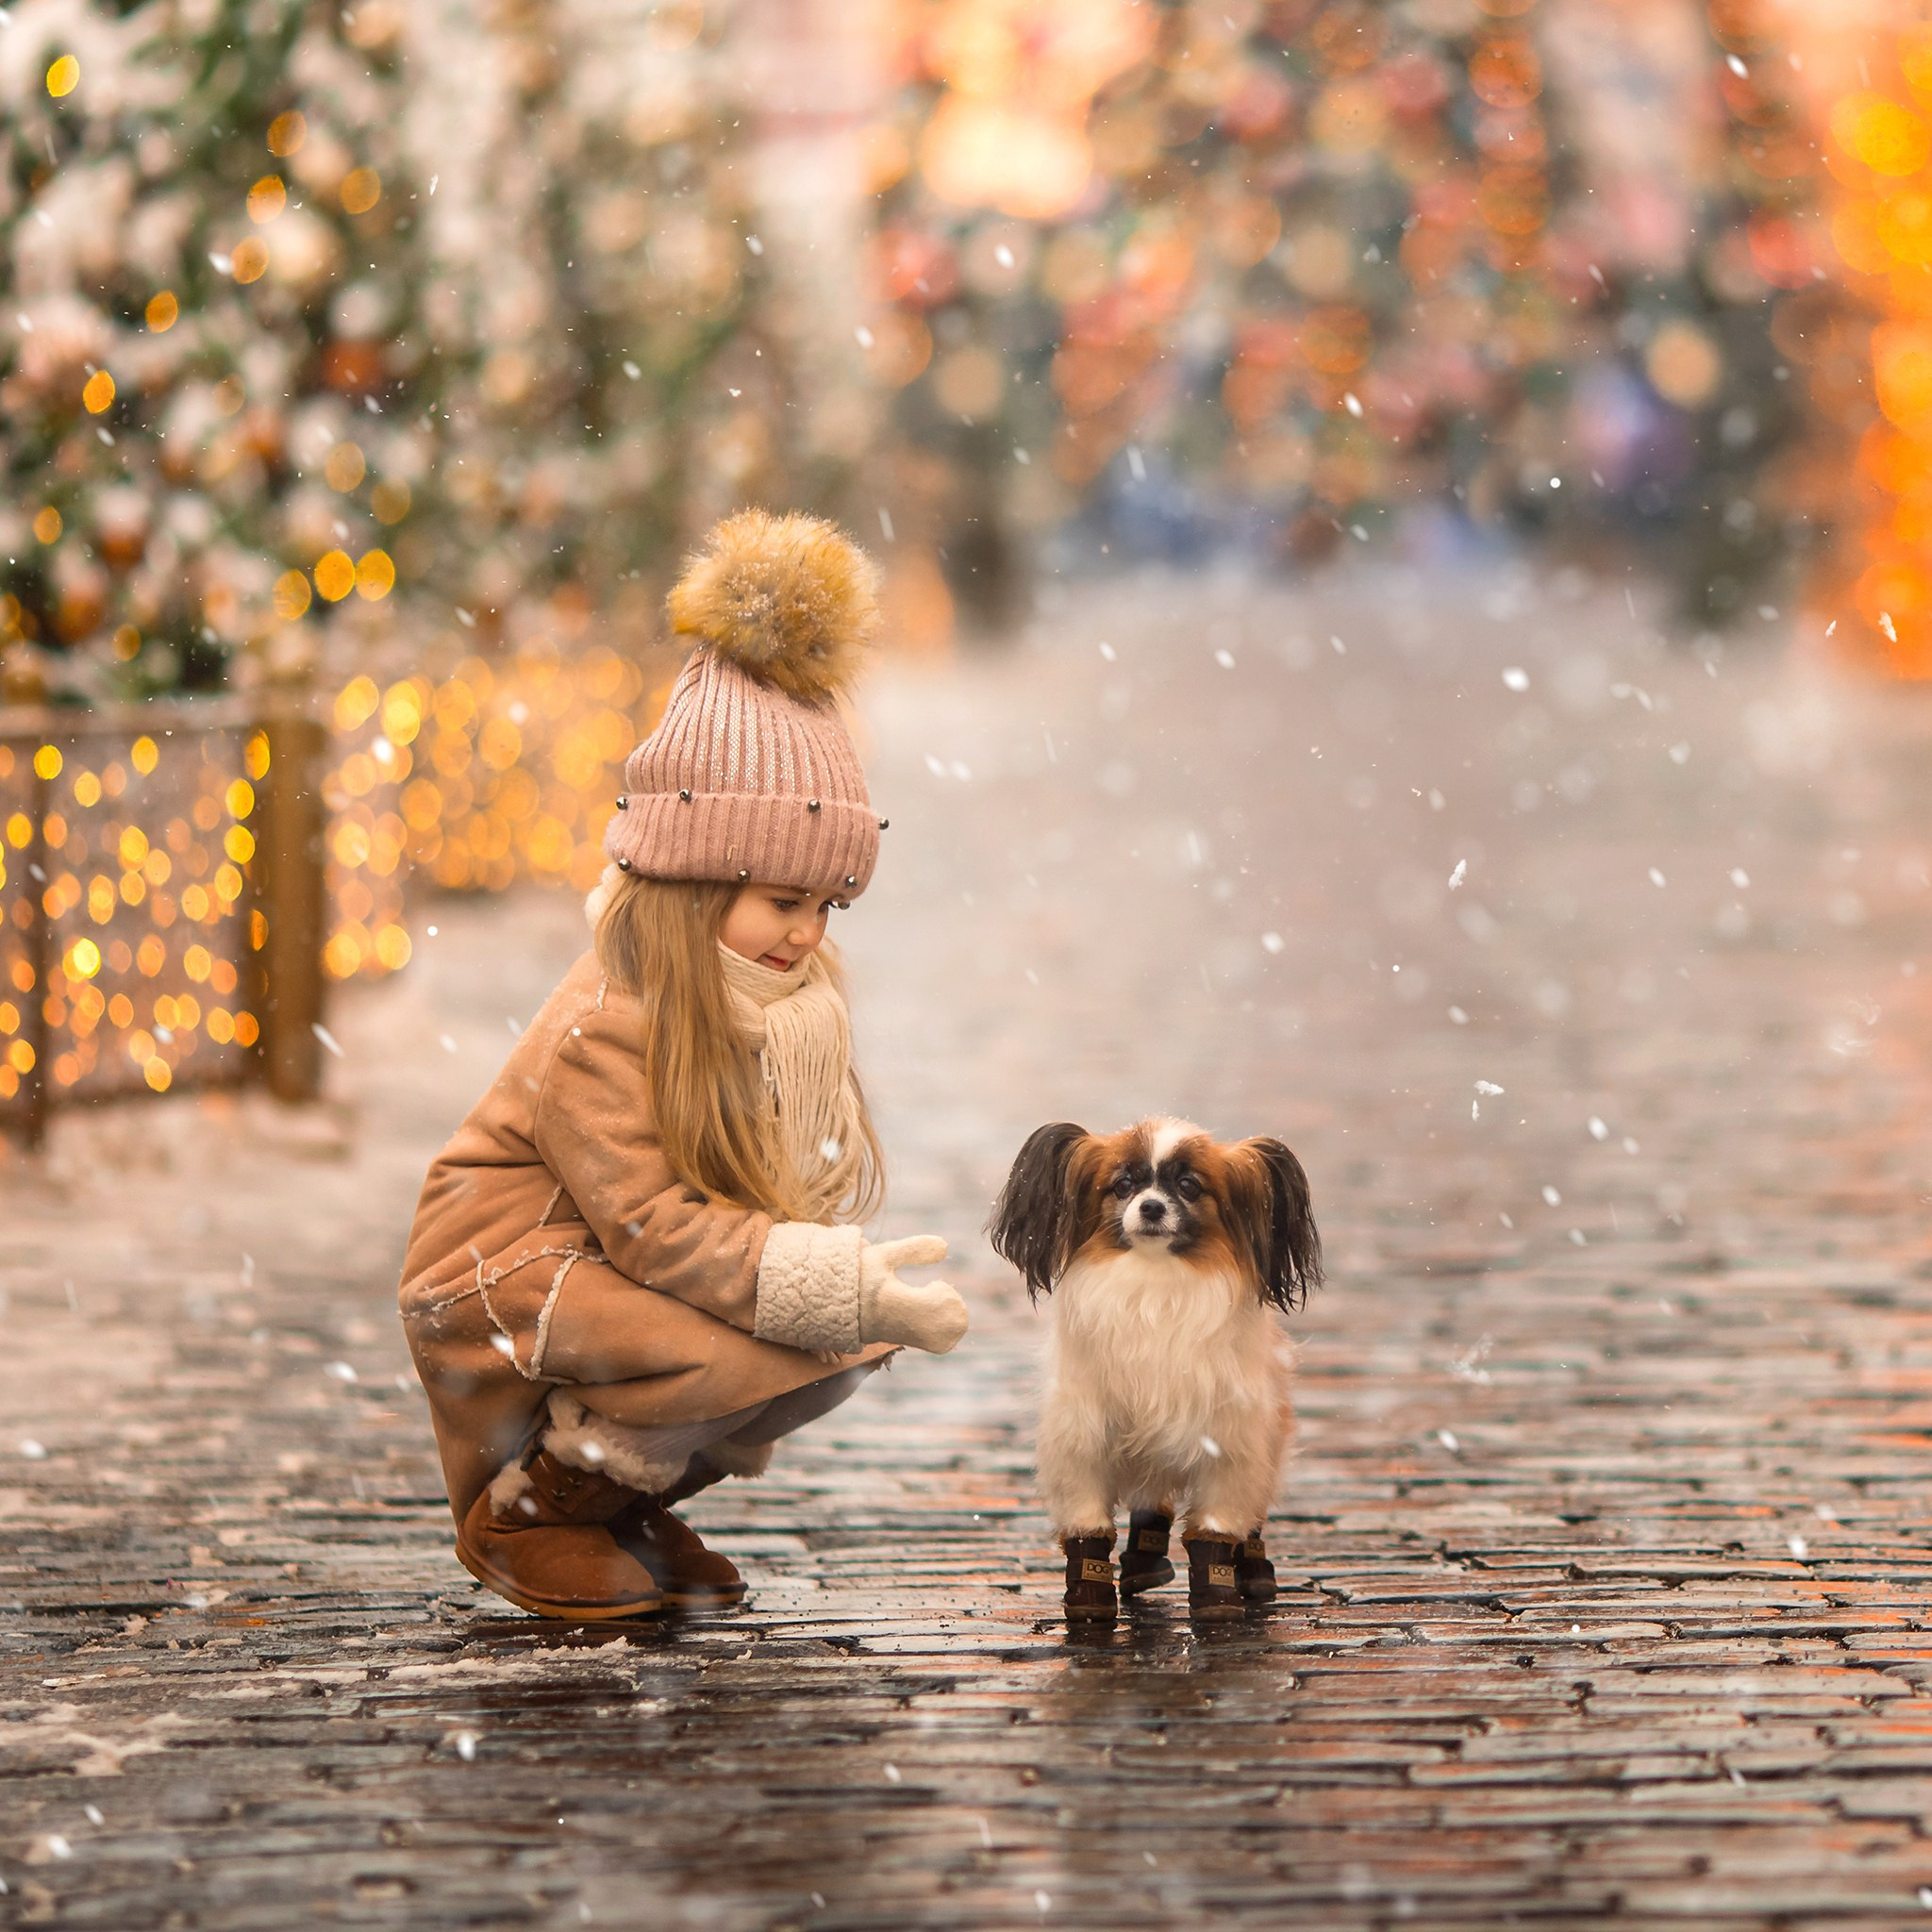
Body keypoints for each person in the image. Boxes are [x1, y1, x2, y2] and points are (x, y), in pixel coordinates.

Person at [397, 509, 967, 1620]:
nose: (806, 932)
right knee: (736, 1350)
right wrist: (821, 1280)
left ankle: (613, 1495)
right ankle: (534, 1509)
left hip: (595, 1266)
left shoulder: (757, 1002)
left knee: (831, 1345)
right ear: (699, 880)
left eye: (828, 905)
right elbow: (655, 1227)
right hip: (502, 1278)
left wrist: (837, 1292)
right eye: (783, 898)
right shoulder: (609, 1020)